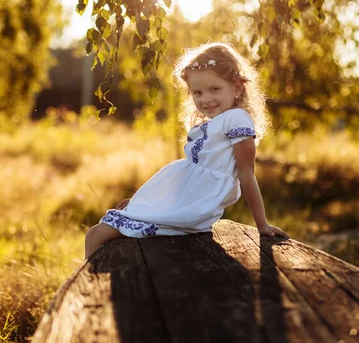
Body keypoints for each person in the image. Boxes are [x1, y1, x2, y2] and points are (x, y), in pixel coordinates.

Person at [84, 42, 289, 259]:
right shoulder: (211, 124)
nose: (205, 99)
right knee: (98, 233)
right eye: (197, 92)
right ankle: (89, 279)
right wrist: (142, 201)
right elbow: (185, 178)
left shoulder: (236, 119)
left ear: (237, 88)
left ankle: (88, 283)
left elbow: (246, 174)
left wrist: (262, 224)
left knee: (96, 235)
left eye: (215, 89)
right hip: (186, 199)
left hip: (193, 204)